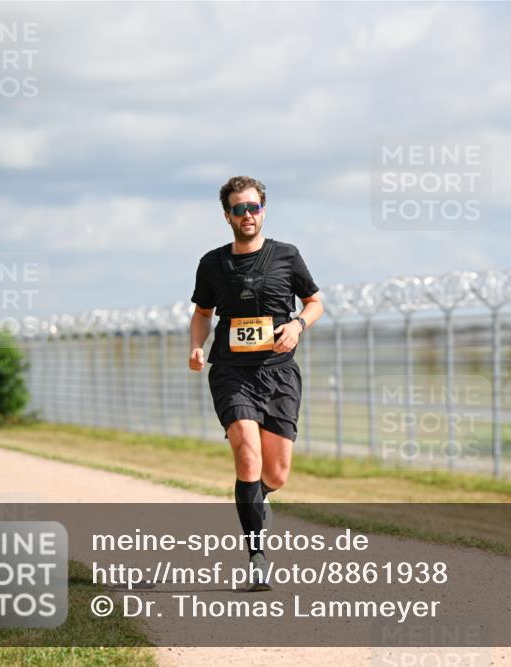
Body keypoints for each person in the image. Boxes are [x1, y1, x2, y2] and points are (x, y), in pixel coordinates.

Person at [188, 175, 323, 591]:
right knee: (247, 454)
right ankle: (257, 557)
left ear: (263, 210)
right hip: (231, 372)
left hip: (279, 372)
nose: (248, 215)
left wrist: (298, 325)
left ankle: (258, 497)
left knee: (276, 473)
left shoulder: (287, 256)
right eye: (239, 208)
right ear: (227, 215)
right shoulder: (212, 263)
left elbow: (315, 302)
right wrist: (197, 346)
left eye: (254, 207)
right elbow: (202, 313)